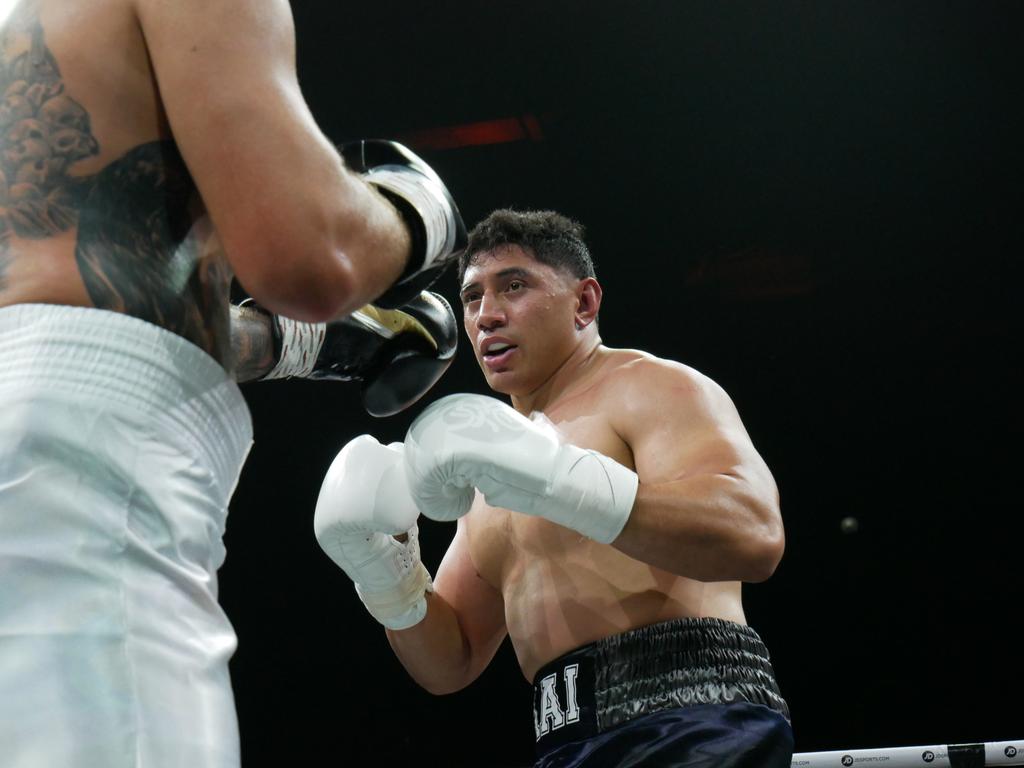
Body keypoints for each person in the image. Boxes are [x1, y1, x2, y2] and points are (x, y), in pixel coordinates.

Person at [0, 0, 463, 765]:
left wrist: (300, 345)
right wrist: (424, 211)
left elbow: (54, 303)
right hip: (81, 473)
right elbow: (310, 258)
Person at [315, 209, 794, 767]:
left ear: (584, 303)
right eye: (472, 298)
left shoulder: (650, 387)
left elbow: (754, 537)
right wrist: (383, 573)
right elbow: (450, 663)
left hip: (689, 719)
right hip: (562, 740)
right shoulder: (488, 467)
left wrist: (556, 481)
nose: (488, 315)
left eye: (514, 286)